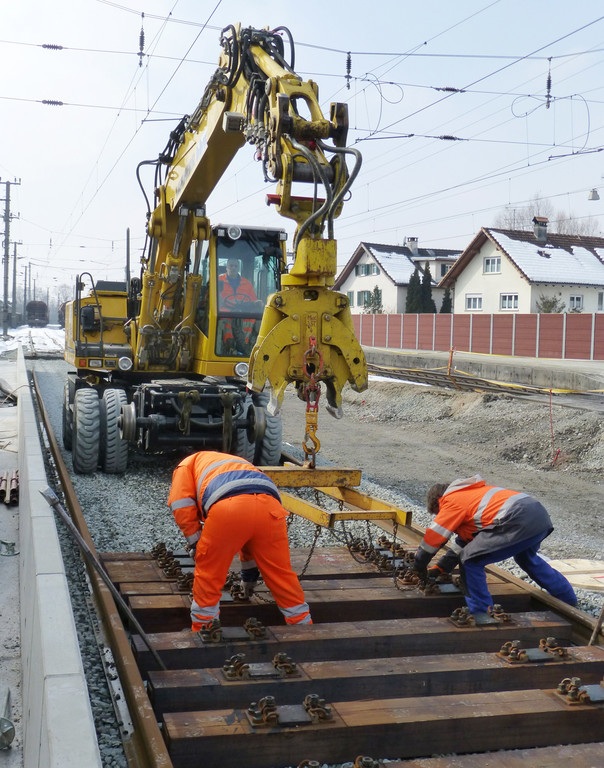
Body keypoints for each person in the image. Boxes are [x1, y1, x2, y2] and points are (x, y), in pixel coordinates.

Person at [167, 450, 312, 631]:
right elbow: (248, 538)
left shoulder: (185, 466)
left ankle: (203, 627)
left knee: (209, 573)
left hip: (229, 510)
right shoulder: (234, 462)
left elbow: (180, 504)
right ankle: (304, 625)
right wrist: (248, 581)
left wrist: (197, 543)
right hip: (271, 509)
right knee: (281, 574)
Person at [412, 474, 577, 616]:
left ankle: (481, 612)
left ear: (437, 503)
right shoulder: (471, 495)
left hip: (517, 518)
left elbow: (434, 537)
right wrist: (440, 568)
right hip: (538, 516)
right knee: (526, 558)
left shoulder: (450, 500)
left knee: (470, 560)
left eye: (437, 514)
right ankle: (567, 599)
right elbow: (466, 542)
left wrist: (419, 564)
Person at [218, 257, 261, 352]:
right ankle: (229, 344)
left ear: (238, 268)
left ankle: (246, 345)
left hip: (242, 312)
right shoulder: (218, 281)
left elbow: (253, 299)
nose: (233, 268)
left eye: (235, 266)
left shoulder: (246, 283)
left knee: (252, 318)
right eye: (231, 266)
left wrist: (257, 303)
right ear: (226, 267)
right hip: (224, 313)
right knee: (224, 320)